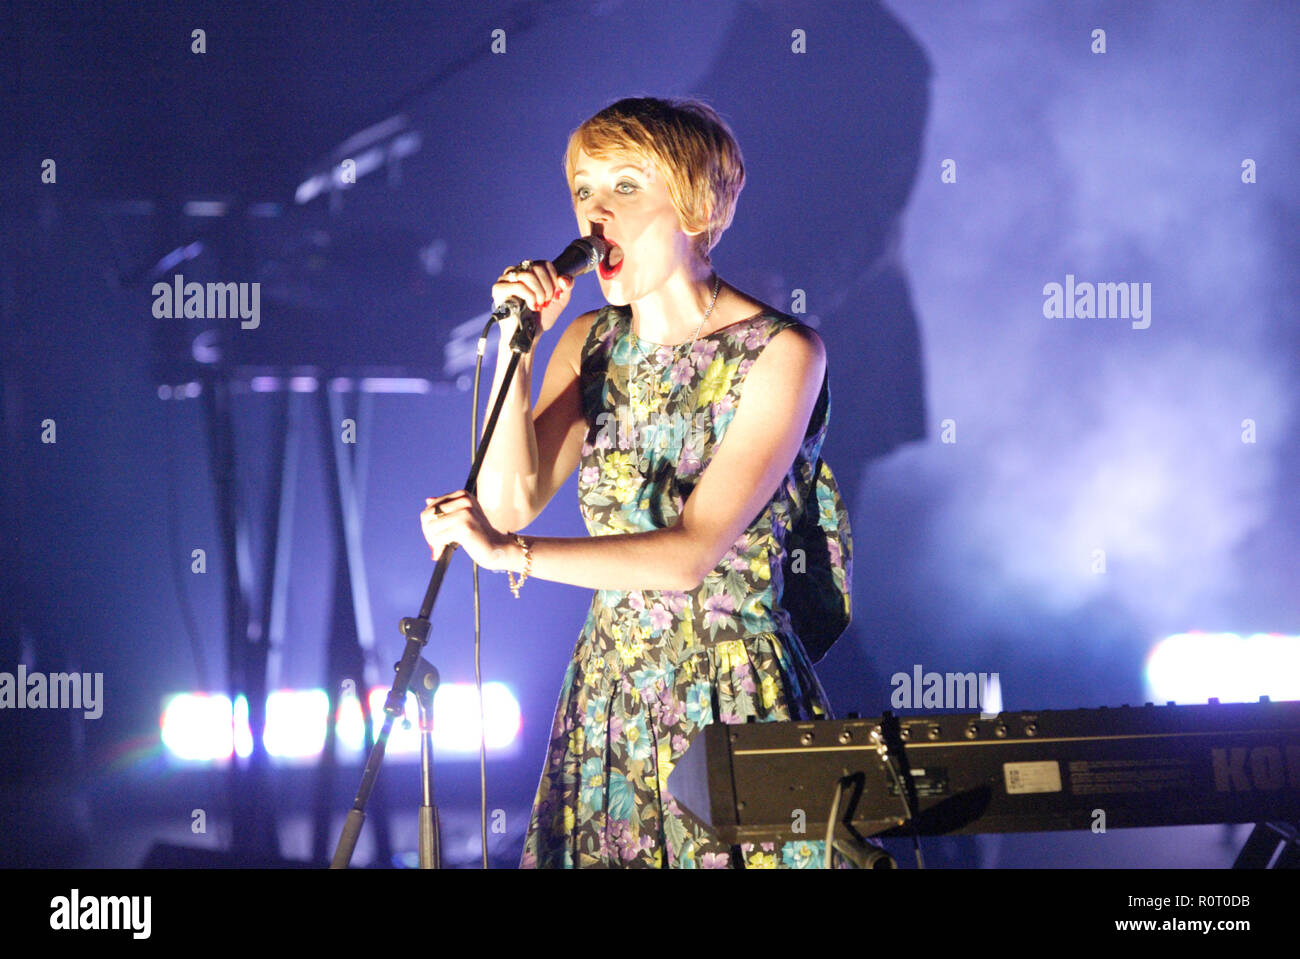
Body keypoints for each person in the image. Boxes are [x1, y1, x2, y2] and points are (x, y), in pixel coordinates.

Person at [419, 96, 853, 868]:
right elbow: (510, 496)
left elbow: (689, 555)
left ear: (692, 203)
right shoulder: (590, 345)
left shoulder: (782, 353)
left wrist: (511, 554)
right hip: (612, 694)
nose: (594, 212)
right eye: (583, 190)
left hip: (732, 697)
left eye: (624, 187)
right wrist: (520, 350)